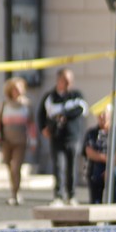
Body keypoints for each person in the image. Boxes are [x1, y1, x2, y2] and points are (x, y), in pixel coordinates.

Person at [37, 68, 88, 206]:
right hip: (57, 137)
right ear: (59, 80)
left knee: (72, 167)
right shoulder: (50, 97)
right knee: (59, 166)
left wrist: (63, 114)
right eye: (66, 80)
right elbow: (41, 114)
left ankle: (71, 195)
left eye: (70, 80)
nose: (68, 83)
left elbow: (81, 109)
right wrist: (43, 128)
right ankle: (58, 196)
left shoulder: (76, 95)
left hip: (73, 136)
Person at [0, 77, 37, 205]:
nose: (18, 91)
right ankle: (13, 191)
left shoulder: (27, 105)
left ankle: (17, 192)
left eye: (20, 88)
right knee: (9, 166)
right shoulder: (4, 104)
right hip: (6, 141)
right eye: (15, 89)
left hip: (20, 141)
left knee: (16, 166)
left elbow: (31, 124)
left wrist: (33, 140)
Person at [82, 106, 116, 204]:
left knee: (114, 174)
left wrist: (109, 168)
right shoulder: (92, 133)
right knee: (95, 175)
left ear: (110, 114)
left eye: (104, 113)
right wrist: (106, 159)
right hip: (96, 168)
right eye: (99, 114)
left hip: (113, 167)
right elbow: (89, 152)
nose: (102, 116)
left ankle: (114, 208)